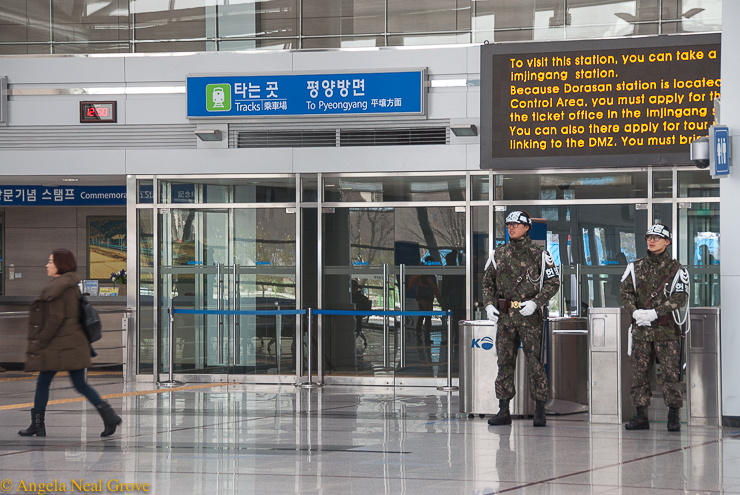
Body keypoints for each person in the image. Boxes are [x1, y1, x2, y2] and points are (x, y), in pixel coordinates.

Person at [18, 248, 122, 438]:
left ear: (60, 264)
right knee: (79, 384)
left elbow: (55, 318)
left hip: (59, 346)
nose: (47, 265)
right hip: (72, 344)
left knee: (43, 383)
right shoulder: (70, 284)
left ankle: (37, 424)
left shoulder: (59, 287)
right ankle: (109, 416)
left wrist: (41, 340)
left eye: (50, 261)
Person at [483, 211, 560, 427]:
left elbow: (554, 283)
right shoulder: (498, 254)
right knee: (504, 363)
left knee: (535, 364)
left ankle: (539, 410)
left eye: (516, 224)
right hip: (506, 318)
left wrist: (537, 302)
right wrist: (489, 304)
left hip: (530, 319)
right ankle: (503, 409)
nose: (511, 227)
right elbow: (488, 283)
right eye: (508, 224)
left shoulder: (540, 254)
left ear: (527, 227)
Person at [620, 223, 689, 432]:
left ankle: (673, 416)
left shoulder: (676, 269)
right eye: (649, 237)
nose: (651, 240)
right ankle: (641, 415)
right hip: (641, 331)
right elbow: (625, 293)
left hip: (666, 331)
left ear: (667, 241)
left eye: (657, 238)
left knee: (670, 375)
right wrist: (634, 312)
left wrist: (655, 313)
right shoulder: (635, 266)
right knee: (640, 375)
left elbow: (680, 296)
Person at [409, 257, 442, 346]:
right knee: (424, 317)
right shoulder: (423, 273)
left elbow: (435, 289)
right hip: (424, 298)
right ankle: (423, 336)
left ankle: (423, 336)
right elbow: (436, 289)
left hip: (426, 298)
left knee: (425, 317)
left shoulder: (428, 274)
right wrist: (439, 300)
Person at [351, 279, 371, 349]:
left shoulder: (361, 298)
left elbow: (367, 309)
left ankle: (357, 329)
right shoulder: (362, 298)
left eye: (354, 287)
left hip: (357, 317)